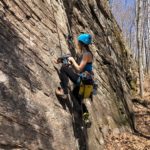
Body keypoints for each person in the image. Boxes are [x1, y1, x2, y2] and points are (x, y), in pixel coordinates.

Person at [54, 33, 93, 99]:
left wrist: (72, 60)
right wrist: (63, 60)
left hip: (83, 82)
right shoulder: (85, 52)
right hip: (84, 80)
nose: (77, 43)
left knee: (64, 69)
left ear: (81, 43)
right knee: (67, 65)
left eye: (78, 42)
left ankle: (64, 92)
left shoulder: (87, 54)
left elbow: (79, 69)